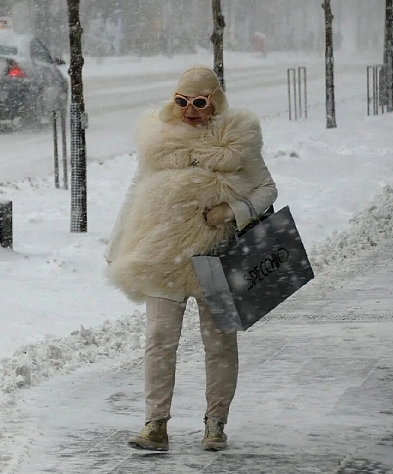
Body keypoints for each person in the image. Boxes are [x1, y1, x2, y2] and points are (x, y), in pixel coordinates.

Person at [104, 65, 277, 452]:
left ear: (215, 100)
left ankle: (215, 423)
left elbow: (268, 188)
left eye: (199, 102)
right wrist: (119, 246)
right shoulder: (159, 137)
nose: (190, 110)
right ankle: (155, 424)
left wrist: (232, 211)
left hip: (217, 255)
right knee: (159, 340)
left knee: (219, 343)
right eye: (182, 101)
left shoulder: (236, 138)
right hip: (162, 253)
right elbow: (138, 190)